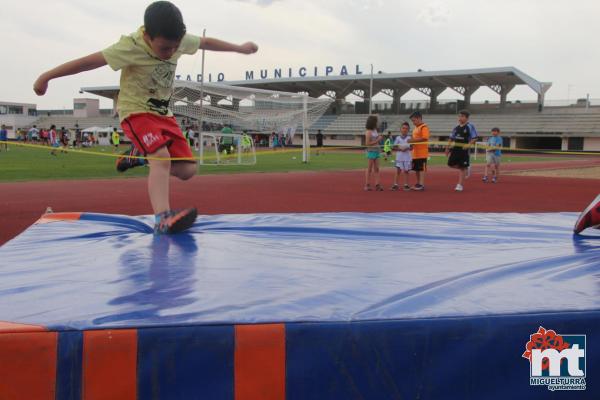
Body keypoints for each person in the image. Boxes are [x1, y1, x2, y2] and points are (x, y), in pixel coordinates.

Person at [33, 1, 258, 234]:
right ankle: (162, 217)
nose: (170, 53)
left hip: (164, 114)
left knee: (188, 171)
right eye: (163, 48)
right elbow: (89, 62)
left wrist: (239, 48)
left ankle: (138, 156)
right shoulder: (130, 46)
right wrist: (47, 77)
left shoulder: (178, 38)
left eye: (174, 47)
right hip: (136, 110)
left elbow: (206, 42)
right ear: (148, 36)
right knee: (161, 158)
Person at [445, 110, 478, 192]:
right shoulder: (456, 127)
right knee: (450, 164)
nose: (460, 118)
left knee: (462, 168)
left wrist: (468, 145)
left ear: (467, 118)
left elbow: (475, 138)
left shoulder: (470, 126)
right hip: (455, 149)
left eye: (462, 116)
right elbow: (451, 138)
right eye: (459, 116)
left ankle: (459, 185)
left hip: (464, 150)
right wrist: (447, 148)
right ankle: (466, 168)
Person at [408, 111, 430, 191]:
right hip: (415, 153)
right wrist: (411, 145)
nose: (413, 122)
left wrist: (412, 140)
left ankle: (421, 184)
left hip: (422, 153)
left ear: (419, 118)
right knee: (416, 169)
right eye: (412, 121)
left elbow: (425, 138)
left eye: (414, 120)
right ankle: (418, 183)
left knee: (421, 169)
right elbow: (414, 139)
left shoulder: (424, 127)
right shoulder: (415, 128)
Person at [364, 114, 383, 191]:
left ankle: (377, 184)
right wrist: (378, 140)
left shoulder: (375, 130)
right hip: (371, 151)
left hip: (377, 151)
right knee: (369, 169)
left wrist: (379, 145)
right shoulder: (368, 132)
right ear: (373, 122)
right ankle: (367, 184)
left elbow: (376, 142)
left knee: (377, 168)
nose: (377, 123)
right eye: (376, 121)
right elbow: (367, 143)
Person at [391, 122, 412, 191]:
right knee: (398, 171)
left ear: (408, 130)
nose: (404, 130)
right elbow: (393, 147)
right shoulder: (398, 138)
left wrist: (407, 148)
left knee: (406, 171)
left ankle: (406, 185)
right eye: (403, 128)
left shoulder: (409, 138)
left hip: (407, 157)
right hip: (399, 157)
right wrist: (400, 149)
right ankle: (395, 184)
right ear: (400, 129)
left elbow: (412, 147)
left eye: (406, 128)